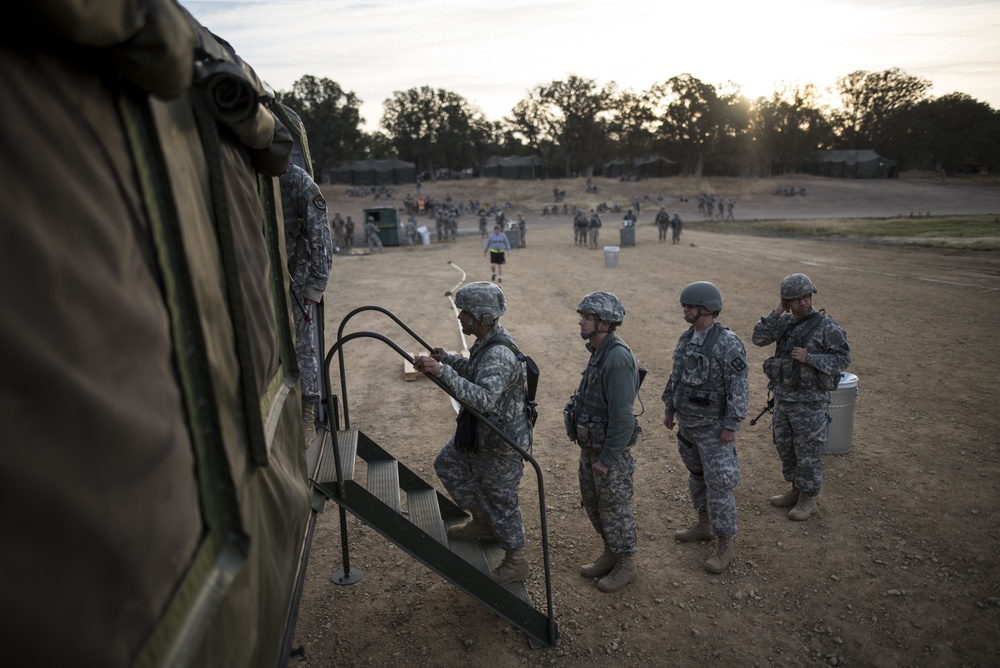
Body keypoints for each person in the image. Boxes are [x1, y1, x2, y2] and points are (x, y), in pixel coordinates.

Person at [412, 282, 533, 584]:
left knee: (502, 501)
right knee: (447, 464)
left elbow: (484, 399)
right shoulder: (487, 339)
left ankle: (516, 561)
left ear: (482, 316)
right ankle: (482, 523)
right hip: (481, 435)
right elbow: (476, 371)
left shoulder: (499, 353)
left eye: (465, 312)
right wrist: (448, 360)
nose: (460, 317)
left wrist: (443, 373)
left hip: (500, 441)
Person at [662, 282, 748, 573]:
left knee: (719, 485)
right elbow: (676, 375)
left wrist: (731, 424)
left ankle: (725, 544)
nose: (685, 310)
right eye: (684, 306)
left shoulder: (727, 342)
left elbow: (738, 386)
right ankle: (704, 524)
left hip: (714, 429)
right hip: (688, 426)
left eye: (691, 306)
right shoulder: (687, 338)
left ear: (707, 308)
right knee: (697, 477)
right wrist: (670, 408)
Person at [752, 273, 851, 521]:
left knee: (807, 451)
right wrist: (777, 312)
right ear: (787, 301)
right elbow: (759, 338)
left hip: (810, 402)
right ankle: (796, 489)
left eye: (806, 297)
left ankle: (809, 498)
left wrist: (810, 358)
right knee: (785, 447)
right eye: (796, 300)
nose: (803, 303)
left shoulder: (826, 326)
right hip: (784, 399)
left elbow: (843, 359)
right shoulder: (785, 322)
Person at [565, 292, 641, 593]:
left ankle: (626, 563)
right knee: (594, 503)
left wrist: (608, 459)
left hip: (608, 452)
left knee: (614, 507)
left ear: (605, 323)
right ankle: (611, 552)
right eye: (582, 316)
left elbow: (623, 417)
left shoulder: (617, 358)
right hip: (592, 447)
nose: (581, 321)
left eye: (587, 317)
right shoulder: (599, 351)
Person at [280, 163, 333, 447]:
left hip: (295, 278)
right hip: (260, 274)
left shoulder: (293, 178)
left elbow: (320, 235)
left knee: (302, 345)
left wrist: (315, 284)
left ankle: (307, 414)